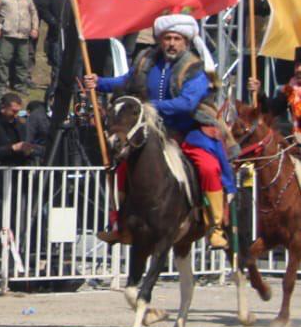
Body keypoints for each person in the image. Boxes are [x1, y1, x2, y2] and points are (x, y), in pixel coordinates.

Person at [85, 14, 234, 249]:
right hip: (152, 128)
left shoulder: (195, 68)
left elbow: (187, 103)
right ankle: (119, 223)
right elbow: (127, 80)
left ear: (185, 41)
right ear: (160, 40)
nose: (171, 43)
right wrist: (100, 82)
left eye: (176, 38)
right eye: (167, 38)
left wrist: (151, 108)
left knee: (208, 166)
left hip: (187, 127)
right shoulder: (147, 60)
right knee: (122, 165)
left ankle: (215, 226)